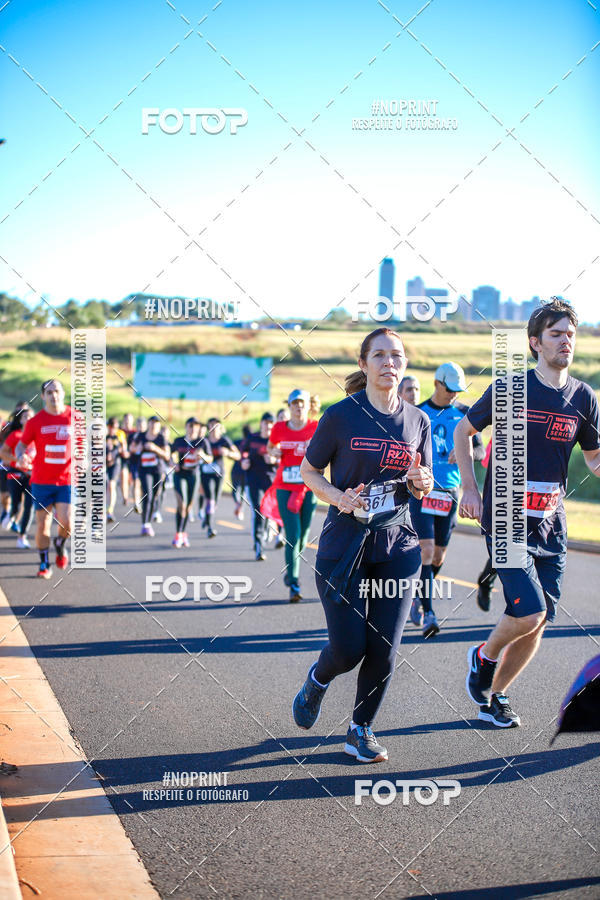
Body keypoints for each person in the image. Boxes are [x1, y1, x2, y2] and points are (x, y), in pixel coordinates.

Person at [455, 298, 600, 728]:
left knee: (537, 623)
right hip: (504, 516)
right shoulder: (510, 388)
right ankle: (482, 656)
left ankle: (496, 696)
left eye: (570, 334)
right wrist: (469, 489)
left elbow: (593, 459)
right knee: (531, 611)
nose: (565, 342)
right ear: (535, 342)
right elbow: (464, 432)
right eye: (556, 334)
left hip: (551, 523)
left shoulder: (583, 396)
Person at [292, 328, 433, 762]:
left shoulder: (418, 421)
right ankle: (318, 678)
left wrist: (423, 482)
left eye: (396, 355)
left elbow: (421, 481)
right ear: (364, 364)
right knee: (350, 648)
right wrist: (339, 497)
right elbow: (308, 470)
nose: (388, 362)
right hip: (343, 549)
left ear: (404, 365)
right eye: (379, 355)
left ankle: (360, 729)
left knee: (384, 649)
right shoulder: (340, 416)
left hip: (397, 547)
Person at [407, 363, 485, 637]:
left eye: (457, 391)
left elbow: (479, 450)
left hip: (450, 493)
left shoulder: (464, 414)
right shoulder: (419, 413)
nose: (453, 395)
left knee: (439, 555)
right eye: (449, 389)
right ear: (437, 383)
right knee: (425, 551)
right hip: (423, 491)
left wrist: (465, 452)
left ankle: (419, 594)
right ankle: (429, 612)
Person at [16, 380, 72, 579]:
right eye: (49, 392)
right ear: (43, 396)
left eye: (57, 391)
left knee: (68, 522)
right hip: (41, 481)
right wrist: (21, 456)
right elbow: (21, 446)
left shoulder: (76, 418)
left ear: (63, 393)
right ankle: (43, 563)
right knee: (43, 524)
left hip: (67, 480)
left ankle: (60, 544)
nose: (53, 395)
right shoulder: (35, 421)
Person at [267, 390, 319, 601]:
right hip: (285, 487)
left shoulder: (316, 428)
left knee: (304, 538)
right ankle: (295, 584)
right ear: (289, 406)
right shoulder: (280, 428)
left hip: (309, 487)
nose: (298, 407)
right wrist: (274, 452)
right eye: (294, 403)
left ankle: (290, 571)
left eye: (302, 403)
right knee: (293, 535)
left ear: (308, 405)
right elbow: (270, 447)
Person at [242, 412, 278, 560]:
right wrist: (243, 462)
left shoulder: (276, 440)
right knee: (258, 511)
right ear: (261, 424)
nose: (268, 426)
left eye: (271, 423)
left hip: (270, 481)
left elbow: (283, 457)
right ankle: (259, 545)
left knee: (267, 512)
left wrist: (274, 460)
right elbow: (243, 453)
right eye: (266, 422)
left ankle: (266, 533)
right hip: (254, 480)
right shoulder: (252, 438)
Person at [171, 418, 212, 547]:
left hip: (193, 475)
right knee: (181, 504)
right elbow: (169, 454)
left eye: (196, 426)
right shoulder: (179, 441)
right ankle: (178, 534)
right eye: (190, 426)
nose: (193, 428)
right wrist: (173, 464)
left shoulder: (203, 442)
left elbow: (210, 459)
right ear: (186, 427)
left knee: (188, 506)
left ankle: (183, 533)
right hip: (180, 474)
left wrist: (203, 456)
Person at [0, 405, 35, 547]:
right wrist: (17, 459)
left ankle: (22, 537)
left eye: (31, 416)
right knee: (16, 504)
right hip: (15, 473)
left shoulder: (38, 436)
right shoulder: (15, 435)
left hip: (32, 475)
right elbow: (2, 453)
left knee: (29, 506)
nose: (28, 419)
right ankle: (11, 514)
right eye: (25, 417)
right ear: (20, 420)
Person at [130, 416, 170, 536]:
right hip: (144, 469)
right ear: (148, 424)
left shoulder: (161, 438)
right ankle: (145, 524)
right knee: (148, 493)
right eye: (152, 424)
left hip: (157, 469)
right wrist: (139, 448)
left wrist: (155, 449)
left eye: (156, 424)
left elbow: (167, 455)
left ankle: (149, 519)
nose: (154, 426)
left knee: (155, 495)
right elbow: (132, 448)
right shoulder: (141, 436)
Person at [201, 418, 241, 538]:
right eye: (211, 426)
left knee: (215, 500)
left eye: (216, 426)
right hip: (205, 473)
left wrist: (227, 453)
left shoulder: (224, 440)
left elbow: (238, 455)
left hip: (219, 473)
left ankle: (207, 518)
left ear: (220, 428)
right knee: (210, 499)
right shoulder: (204, 441)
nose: (213, 429)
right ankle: (210, 527)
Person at [106, 417, 126, 522]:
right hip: (103, 463)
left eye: (115, 427)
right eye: (111, 427)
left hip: (115, 463)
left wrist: (122, 451)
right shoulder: (103, 434)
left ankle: (110, 510)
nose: (113, 429)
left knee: (112, 485)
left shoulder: (119, 435)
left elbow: (124, 449)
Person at [231, 426, 251, 520]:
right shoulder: (252, 443)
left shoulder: (237, 442)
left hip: (236, 469)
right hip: (247, 470)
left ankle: (237, 504)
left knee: (235, 489)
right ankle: (240, 508)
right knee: (243, 491)